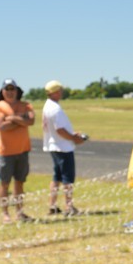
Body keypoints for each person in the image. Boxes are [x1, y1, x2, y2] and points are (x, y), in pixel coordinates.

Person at [0, 79, 35, 224]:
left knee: (20, 182)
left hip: (23, 150)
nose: (10, 92)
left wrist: (12, 118)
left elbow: (30, 121)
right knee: (4, 183)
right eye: (7, 89)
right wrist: (20, 120)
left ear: (17, 91)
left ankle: (20, 212)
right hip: (6, 152)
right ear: (2, 91)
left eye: (12, 89)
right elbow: (2, 126)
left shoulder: (25, 105)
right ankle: (5, 214)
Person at [42, 80, 89, 218]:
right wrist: (74, 138)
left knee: (56, 176)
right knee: (67, 177)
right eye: (60, 90)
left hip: (54, 145)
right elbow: (60, 129)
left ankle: (52, 205)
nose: (62, 93)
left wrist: (72, 135)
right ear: (55, 92)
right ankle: (69, 206)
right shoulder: (55, 109)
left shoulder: (47, 106)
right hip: (62, 146)